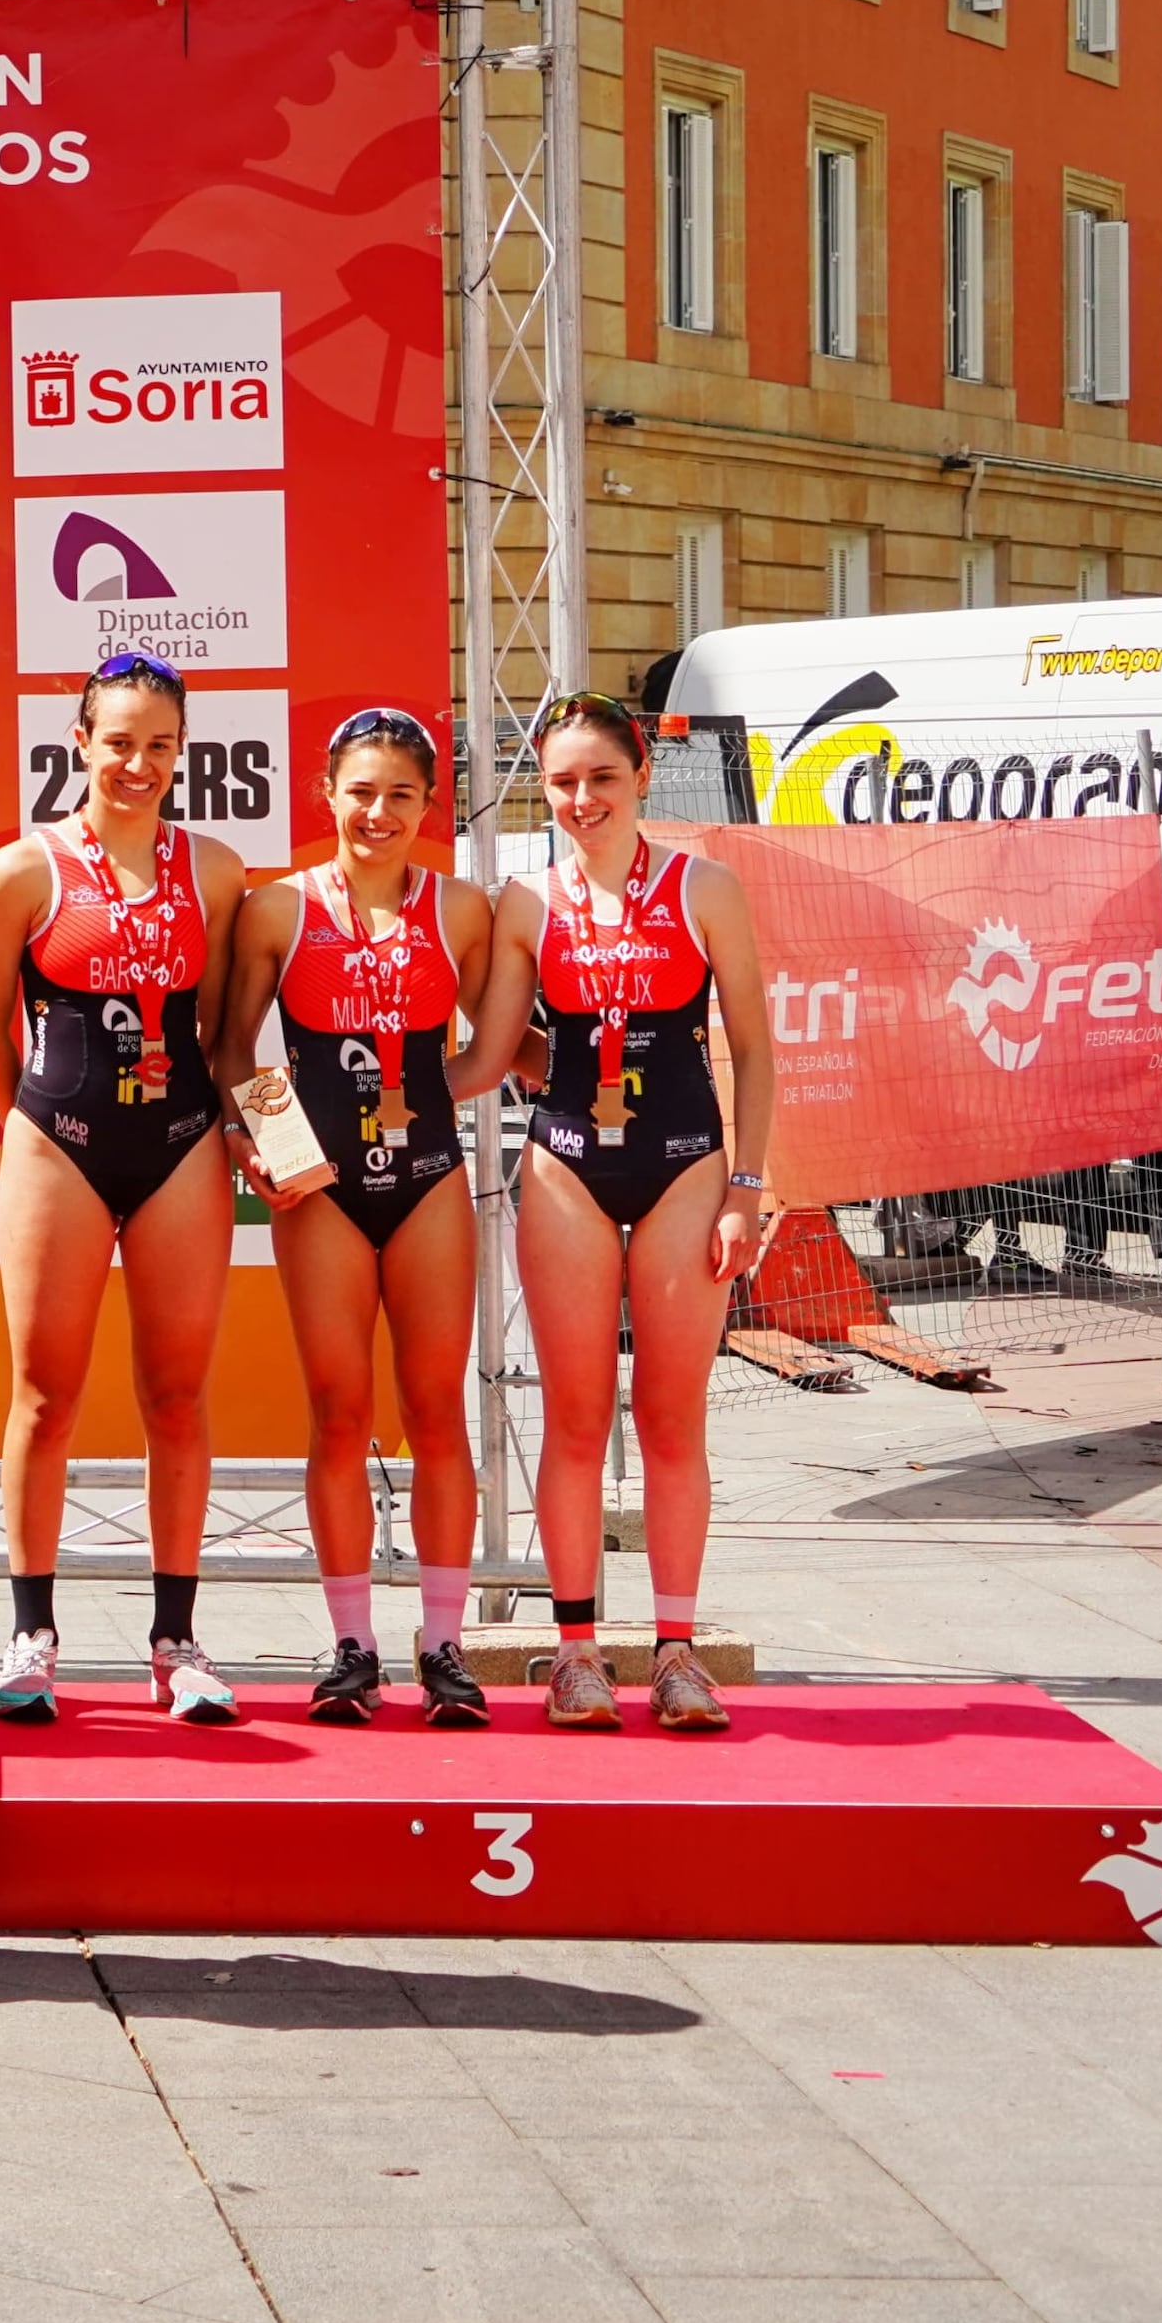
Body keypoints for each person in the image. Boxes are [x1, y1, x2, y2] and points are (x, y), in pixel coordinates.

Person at [466, 689, 781, 1734]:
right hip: (562, 1169)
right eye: (559, 781)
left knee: (669, 1417)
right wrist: (362, 1070)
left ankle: (679, 1653)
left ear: (641, 774)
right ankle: (573, 1654)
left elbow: (751, 1045)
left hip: (687, 1167)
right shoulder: (525, 902)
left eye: (600, 776)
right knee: (572, 1415)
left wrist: (746, 1185)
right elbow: (489, 1053)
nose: (580, 798)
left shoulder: (705, 887)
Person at [0, 650, 252, 1726]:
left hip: (177, 1146)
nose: (136, 762)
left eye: (158, 746)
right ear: (78, 741)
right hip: (55, 1142)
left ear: (181, 754)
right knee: (45, 1394)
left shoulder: (215, 871)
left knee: (175, 1396)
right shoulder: (21, 871)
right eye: (117, 741)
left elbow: (223, 1038)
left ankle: (175, 1645)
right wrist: (18, 1132)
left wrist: (255, 1132)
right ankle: (29, 1634)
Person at [219, 708, 493, 1728]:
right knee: (337, 1413)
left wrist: (433, 1094)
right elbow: (230, 1049)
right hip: (319, 1191)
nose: (378, 813)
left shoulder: (461, 910)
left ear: (430, 805)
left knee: (434, 1416)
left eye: (401, 796)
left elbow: (498, 1046)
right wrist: (269, 1144)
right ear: (325, 793)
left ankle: (441, 1647)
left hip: (424, 1180)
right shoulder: (275, 910)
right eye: (361, 791)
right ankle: (349, 1647)